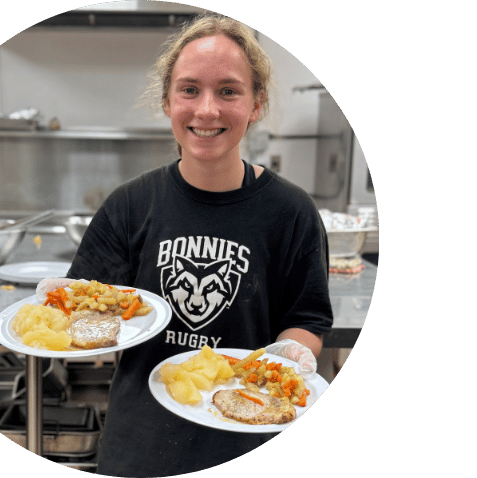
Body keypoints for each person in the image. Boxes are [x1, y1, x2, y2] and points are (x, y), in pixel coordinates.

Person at [40, 13, 333, 477]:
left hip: (250, 429)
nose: (207, 110)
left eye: (229, 91)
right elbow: (85, 315)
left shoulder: (291, 212)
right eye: (190, 89)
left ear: (256, 103)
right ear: (167, 100)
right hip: (140, 445)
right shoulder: (129, 205)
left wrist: (293, 355)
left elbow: (306, 320)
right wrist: (61, 314)